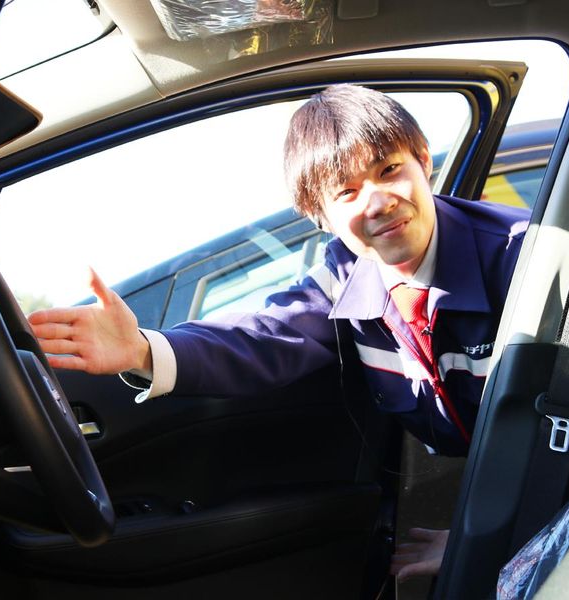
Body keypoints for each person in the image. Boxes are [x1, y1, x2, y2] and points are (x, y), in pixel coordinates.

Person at [28, 84, 530, 582]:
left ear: (424, 160)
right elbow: (264, 336)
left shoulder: (521, 259)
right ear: (322, 217)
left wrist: (489, 537)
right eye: (347, 192)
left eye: (389, 170)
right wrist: (142, 349)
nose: (378, 202)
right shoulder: (347, 274)